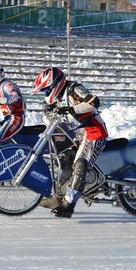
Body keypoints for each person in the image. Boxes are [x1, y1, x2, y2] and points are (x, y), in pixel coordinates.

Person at [32, 67, 108, 218]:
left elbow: (94, 102)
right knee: (64, 157)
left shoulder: (74, 89)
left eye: (46, 91)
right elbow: (49, 115)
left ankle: (68, 204)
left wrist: (71, 109)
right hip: (78, 135)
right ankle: (58, 197)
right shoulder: (58, 98)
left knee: (81, 163)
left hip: (93, 133)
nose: (46, 95)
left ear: (55, 85)